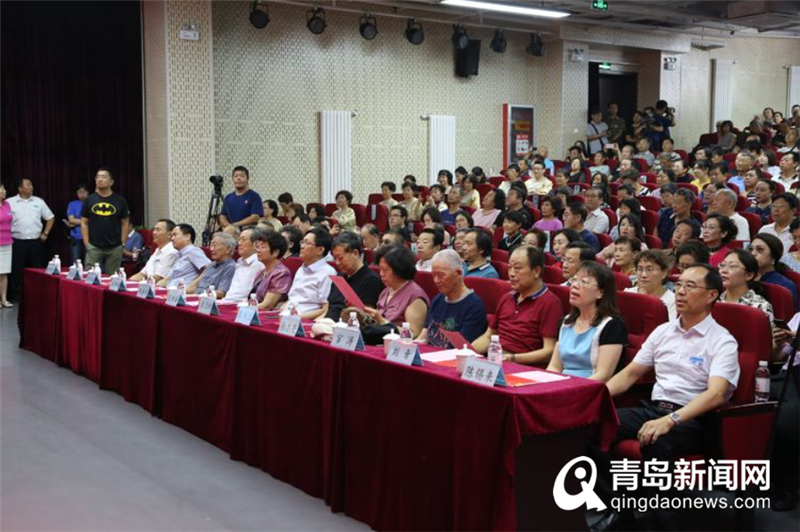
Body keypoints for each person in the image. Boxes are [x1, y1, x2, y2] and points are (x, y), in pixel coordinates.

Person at [591, 264, 739, 532]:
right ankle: (618, 509)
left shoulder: (722, 341)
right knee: (593, 425)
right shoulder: (663, 332)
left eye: (690, 286)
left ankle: (660, 524)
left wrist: (671, 420)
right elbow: (631, 374)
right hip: (653, 409)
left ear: (711, 295)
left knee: (655, 441)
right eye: (679, 285)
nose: (680, 291)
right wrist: (594, 399)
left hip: (693, 418)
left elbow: (716, 394)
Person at [473, 245, 560, 364]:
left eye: (517, 268)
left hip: (523, 365)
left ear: (536, 271)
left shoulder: (550, 303)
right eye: (509, 268)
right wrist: (467, 351)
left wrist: (513, 358)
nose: (511, 273)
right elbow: (489, 336)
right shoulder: (507, 297)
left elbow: (549, 351)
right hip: (496, 359)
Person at [548, 261, 627, 379]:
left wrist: (571, 388)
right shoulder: (566, 321)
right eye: (574, 280)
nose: (575, 285)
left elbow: (603, 375)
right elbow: (554, 367)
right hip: (561, 384)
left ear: (600, 293)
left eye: (584, 282)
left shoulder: (612, 326)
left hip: (589, 386)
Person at [415, 249, 487, 347]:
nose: (436, 280)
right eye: (433, 275)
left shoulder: (474, 306)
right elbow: (423, 337)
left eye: (441, 275)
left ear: (458, 273)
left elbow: (461, 348)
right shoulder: (438, 299)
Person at [362, 245, 429, 338]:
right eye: (380, 269)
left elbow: (413, 334)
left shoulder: (415, 297)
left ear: (399, 270)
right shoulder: (385, 291)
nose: (381, 274)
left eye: (385, 270)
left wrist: (382, 321)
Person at [7, 178, 55, 301]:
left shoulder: (39, 201)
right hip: (17, 240)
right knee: (16, 269)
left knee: (37, 269)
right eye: (28, 185)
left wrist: (45, 233)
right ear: (20, 188)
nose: (31, 187)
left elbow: (50, 217)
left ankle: (37, 295)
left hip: (35, 241)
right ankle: (16, 297)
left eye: (32, 184)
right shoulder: (9, 202)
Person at [323, 232, 382, 322]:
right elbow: (330, 308)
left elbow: (366, 318)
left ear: (355, 253)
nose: (337, 263)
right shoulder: (339, 277)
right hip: (327, 323)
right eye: (335, 258)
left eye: (340, 258)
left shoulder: (371, 280)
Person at [80, 168, 130, 274]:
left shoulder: (120, 200)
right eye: (97, 177)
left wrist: (123, 243)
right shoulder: (89, 200)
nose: (100, 179)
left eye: (103, 177)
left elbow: (125, 222)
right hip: (94, 246)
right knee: (91, 277)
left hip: (115, 247)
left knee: (113, 278)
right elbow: (84, 222)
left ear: (111, 182)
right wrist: (86, 243)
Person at [286, 227, 336, 319]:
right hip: (289, 315)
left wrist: (298, 318)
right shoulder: (301, 269)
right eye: (302, 242)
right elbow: (291, 298)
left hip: (305, 319)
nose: (302, 246)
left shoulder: (328, 273)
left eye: (307, 243)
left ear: (320, 250)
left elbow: (325, 309)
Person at [719, 249, 774, 326]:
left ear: (749, 275)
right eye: (722, 265)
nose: (723, 271)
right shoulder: (712, 300)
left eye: (732, 266)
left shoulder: (760, 306)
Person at [750, 233, 799, 309]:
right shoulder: (743, 278)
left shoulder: (785, 285)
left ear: (773, 256)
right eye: (750, 249)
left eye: (760, 249)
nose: (753, 253)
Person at [625, 249, 676, 320]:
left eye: (649, 270)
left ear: (664, 273)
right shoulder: (628, 294)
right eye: (640, 269)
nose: (643, 275)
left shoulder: (672, 301)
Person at [187, 232, 236, 298]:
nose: (211, 249)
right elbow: (190, 288)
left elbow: (221, 293)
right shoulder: (211, 265)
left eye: (215, 245)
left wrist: (199, 292)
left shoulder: (230, 267)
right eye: (211, 245)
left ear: (228, 249)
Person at [251, 229, 292, 310]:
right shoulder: (261, 272)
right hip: (256, 310)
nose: (258, 250)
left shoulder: (281, 273)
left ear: (275, 252)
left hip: (269, 314)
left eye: (263, 247)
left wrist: (246, 309)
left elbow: (267, 305)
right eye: (258, 247)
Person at [160, 223, 210, 288]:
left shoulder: (193, 251)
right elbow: (169, 278)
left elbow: (209, 268)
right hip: (171, 290)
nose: (172, 238)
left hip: (185, 291)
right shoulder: (179, 254)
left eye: (175, 235)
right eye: (171, 236)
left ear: (187, 237)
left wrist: (192, 285)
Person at [223, 227, 266, 301]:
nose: (239, 243)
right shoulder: (240, 261)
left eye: (243, 240)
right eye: (239, 239)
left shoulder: (259, 264)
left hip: (242, 303)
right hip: (227, 300)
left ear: (256, 244)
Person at [66, 183, 89, 265]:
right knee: (75, 261)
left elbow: (95, 219)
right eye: (80, 192)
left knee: (88, 262)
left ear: (88, 192)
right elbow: (71, 220)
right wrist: (87, 221)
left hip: (90, 237)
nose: (82, 194)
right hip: (75, 236)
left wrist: (77, 221)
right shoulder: (72, 204)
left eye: (84, 192)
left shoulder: (92, 203)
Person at [0, 184, 11, 307]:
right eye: (2, 189)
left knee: (4, 272)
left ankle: (4, 299)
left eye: (4, 188)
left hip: (7, 242)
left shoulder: (7, 204)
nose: (4, 191)